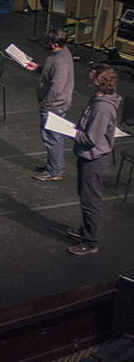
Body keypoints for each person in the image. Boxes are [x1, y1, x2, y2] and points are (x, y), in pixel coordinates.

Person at [66, 64, 121, 255]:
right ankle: (86, 230)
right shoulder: (97, 100)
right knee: (86, 197)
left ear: (98, 81)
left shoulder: (103, 108)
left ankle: (90, 242)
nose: (88, 79)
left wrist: (71, 133)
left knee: (91, 202)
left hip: (94, 160)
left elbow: (91, 138)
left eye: (92, 77)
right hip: (88, 157)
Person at [25, 29, 74, 181]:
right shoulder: (62, 54)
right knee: (55, 137)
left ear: (55, 44)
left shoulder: (60, 61)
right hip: (55, 105)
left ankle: (54, 171)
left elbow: (56, 88)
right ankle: (55, 165)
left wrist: (45, 105)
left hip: (53, 107)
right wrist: (38, 68)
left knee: (52, 138)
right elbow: (52, 74)